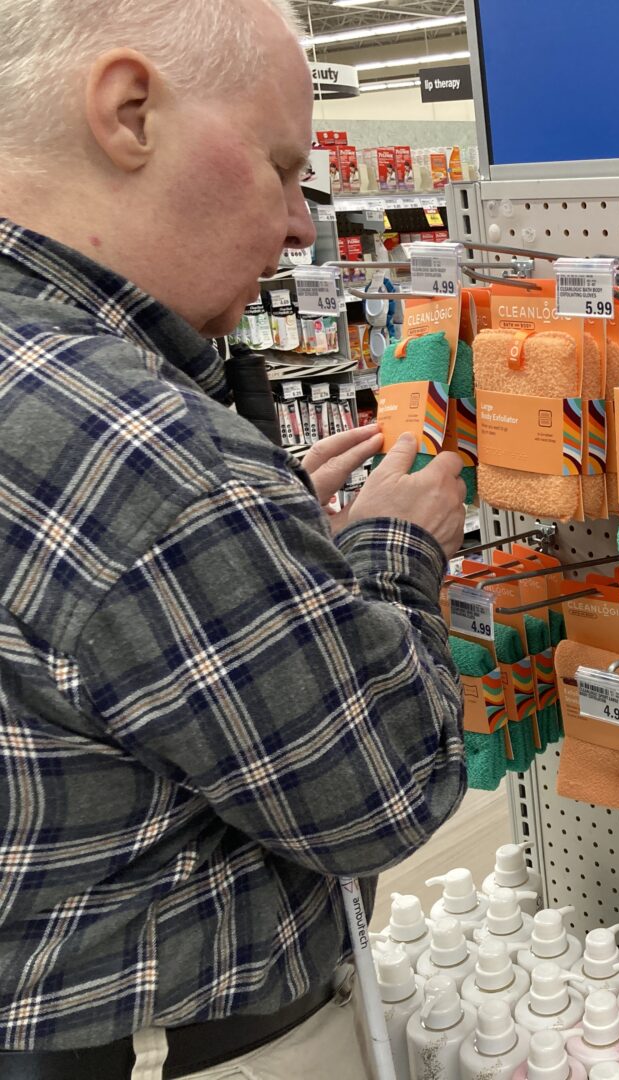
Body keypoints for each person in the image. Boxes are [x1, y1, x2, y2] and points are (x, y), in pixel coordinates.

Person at [0, 1, 469, 1076]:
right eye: (281, 166)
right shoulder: (146, 459)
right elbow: (385, 792)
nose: (303, 225)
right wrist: (391, 552)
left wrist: (250, 544)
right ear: (128, 114)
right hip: (168, 1047)